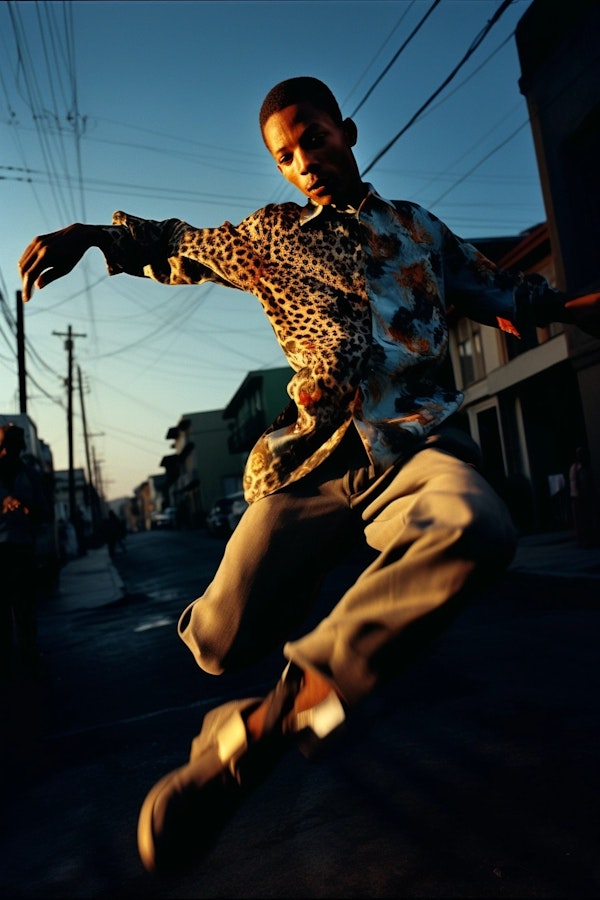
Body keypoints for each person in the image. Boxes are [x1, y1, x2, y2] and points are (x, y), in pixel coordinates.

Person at [18, 76, 600, 874]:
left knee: (477, 526)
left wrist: (568, 306)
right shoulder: (274, 235)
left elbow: (503, 287)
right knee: (217, 645)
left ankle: (272, 721)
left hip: (413, 448)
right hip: (310, 464)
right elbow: (183, 244)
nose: (306, 163)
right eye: (287, 157)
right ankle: (263, 648)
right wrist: (92, 233)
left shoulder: (419, 232)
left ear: (347, 131)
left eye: (315, 140)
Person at [0, 423, 50, 681]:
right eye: (7, 445)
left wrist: (29, 509)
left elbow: (43, 513)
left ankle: (30, 662)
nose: (11, 450)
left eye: (16, 445)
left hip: (21, 550)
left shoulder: (29, 475)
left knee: (25, 611)